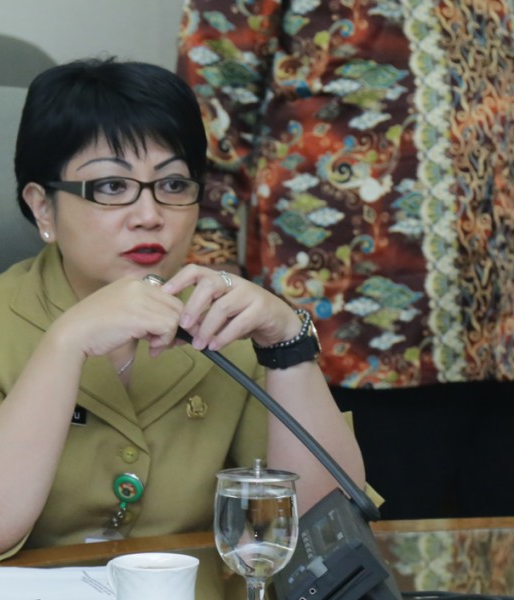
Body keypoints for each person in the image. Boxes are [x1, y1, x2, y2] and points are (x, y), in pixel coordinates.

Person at [0, 57, 366, 567]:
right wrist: (66, 342)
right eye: (111, 187)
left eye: (173, 185)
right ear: (43, 207)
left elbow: (325, 532)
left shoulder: (227, 320)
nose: (149, 216)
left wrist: (285, 343)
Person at [176, 1, 514, 519]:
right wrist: (214, 294)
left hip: (499, 332)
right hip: (348, 335)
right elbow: (207, 123)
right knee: (365, 547)